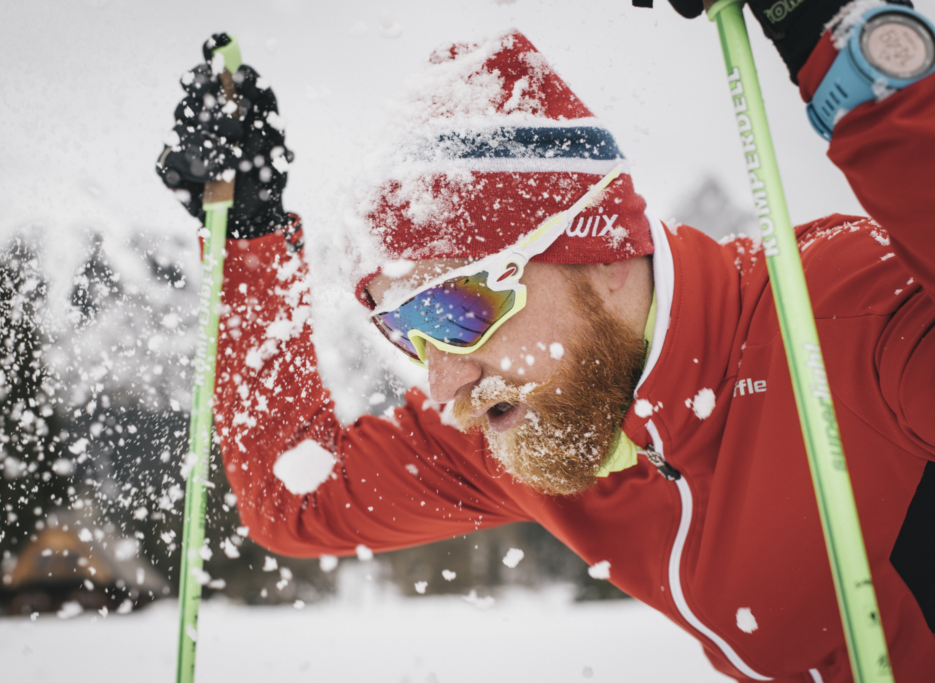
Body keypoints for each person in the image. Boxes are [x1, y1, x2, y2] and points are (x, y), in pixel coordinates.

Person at [157, 2, 935, 680]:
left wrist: (835, 30)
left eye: (453, 309)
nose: (442, 385)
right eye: (408, 332)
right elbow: (299, 495)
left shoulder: (846, 322)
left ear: (598, 256)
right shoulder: (556, 421)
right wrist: (251, 239)